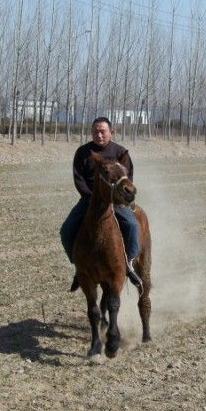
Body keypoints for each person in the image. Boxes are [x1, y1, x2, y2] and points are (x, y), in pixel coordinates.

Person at [60, 117, 142, 289]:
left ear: (111, 132)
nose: (99, 134)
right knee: (66, 229)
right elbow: (79, 178)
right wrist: (90, 197)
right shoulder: (83, 152)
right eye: (95, 131)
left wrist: (119, 198)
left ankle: (128, 264)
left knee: (132, 225)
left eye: (102, 131)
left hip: (116, 201)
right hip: (90, 199)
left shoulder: (120, 153)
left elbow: (128, 178)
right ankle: (79, 267)